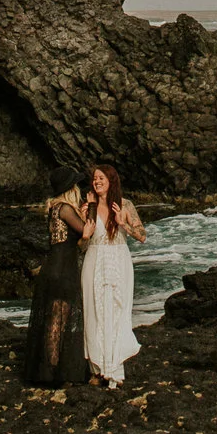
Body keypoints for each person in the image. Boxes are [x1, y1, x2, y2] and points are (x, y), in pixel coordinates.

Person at [20, 169, 91, 387]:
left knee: (54, 319)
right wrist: (87, 218)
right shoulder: (66, 209)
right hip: (63, 269)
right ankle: (52, 370)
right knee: (58, 320)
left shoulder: (55, 208)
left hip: (54, 266)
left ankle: (49, 367)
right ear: (71, 188)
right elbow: (84, 232)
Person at [77, 162, 145, 387]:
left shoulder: (124, 205)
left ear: (111, 181)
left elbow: (142, 236)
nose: (97, 181)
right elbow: (80, 244)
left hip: (118, 261)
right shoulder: (87, 207)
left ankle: (115, 370)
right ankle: (97, 370)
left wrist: (123, 224)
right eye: (95, 179)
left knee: (117, 312)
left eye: (101, 178)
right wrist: (85, 234)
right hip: (95, 261)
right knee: (94, 312)